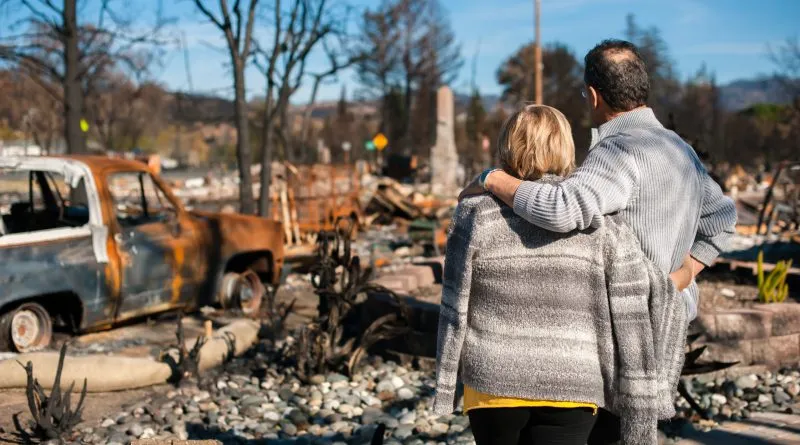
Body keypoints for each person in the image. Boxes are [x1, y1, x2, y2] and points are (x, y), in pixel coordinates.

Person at [462, 40, 737, 442]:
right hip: (667, 321)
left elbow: (561, 208)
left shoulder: (619, 151)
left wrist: (492, 179)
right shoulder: (680, 150)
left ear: (593, 95)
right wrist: (682, 275)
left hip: (623, 329)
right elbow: (722, 217)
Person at [433, 104, 688, 445]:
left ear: (507, 146)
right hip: (574, 381)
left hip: (492, 379)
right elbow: (637, 294)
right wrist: (687, 271)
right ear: (566, 147)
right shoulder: (600, 223)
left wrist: (447, 379)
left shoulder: (474, 212)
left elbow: (454, 302)